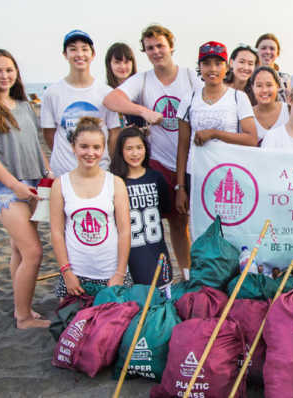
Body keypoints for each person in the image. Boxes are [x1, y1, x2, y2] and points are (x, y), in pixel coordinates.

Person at [103, 24, 201, 279]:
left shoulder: (190, 76)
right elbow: (112, 100)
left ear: (171, 45)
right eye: (150, 48)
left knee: (189, 224)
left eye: (160, 45)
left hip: (191, 162)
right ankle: (175, 275)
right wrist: (143, 111)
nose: (156, 51)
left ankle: (192, 273)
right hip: (159, 162)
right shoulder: (144, 79)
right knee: (164, 223)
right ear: (144, 51)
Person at [0, 48, 52, 329]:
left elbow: (33, 145)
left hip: (32, 183)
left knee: (19, 249)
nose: (5, 75)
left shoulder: (24, 105)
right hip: (6, 187)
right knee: (34, 252)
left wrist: (46, 171)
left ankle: (20, 304)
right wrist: (14, 185)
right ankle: (24, 316)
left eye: (9, 69)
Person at [50, 117, 132, 298]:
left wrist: (119, 273)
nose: (90, 153)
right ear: (73, 147)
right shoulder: (60, 184)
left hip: (110, 272)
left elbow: (125, 231)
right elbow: (56, 232)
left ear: (103, 149)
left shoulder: (115, 183)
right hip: (76, 273)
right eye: (84, 146)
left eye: (96, 147)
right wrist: (66, 272)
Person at [175, 41, 257, 217]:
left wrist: (215, 133)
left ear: (227, 67)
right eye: (206, 63)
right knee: (200, 229)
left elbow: (251, 139)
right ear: (199, 67)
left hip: (228, 174)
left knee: (229, 227)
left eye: (218, 63)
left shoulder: (238, 98)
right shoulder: (189, 99)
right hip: (196, 174)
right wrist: (180, 186)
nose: (213, 69)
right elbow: (182, 146)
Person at [41, 30, 120, 177]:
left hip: (99, 172)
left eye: (84, 49)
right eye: (73, 49)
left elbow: (114, 132)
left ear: (93, 54)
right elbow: (48, 133)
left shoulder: (106, 92)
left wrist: (104, 160)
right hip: (64, 173)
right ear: (65, 54)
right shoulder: (52, 93)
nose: (79, 54)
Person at [110, 127, 172, 286]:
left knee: (161, 295)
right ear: (121, 151)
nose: (135, 153)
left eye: (139, 147)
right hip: (128, 251)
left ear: (146, 149)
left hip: (155, 248)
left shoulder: (156, 177)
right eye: (129, 149)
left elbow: (165, 210)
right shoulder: (115, 180)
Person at [104, 42, 146, 128]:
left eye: (126, 62)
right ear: (109, 64)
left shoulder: (142, 91)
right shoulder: (105, 92)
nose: (122, 66)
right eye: (117, 62)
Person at [252, 66, 289, 144]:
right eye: (259, 85)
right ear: (252, 87)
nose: (264, 90)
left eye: (269, 85)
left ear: (277, 86)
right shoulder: (247, 115)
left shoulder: (289, 110)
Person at [255, 33, 291, 101]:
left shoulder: (286, 79)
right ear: (256, 51)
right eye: (263, 48)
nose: (268, 52)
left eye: (272, 49)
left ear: (277, 53)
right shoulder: (249, 77)